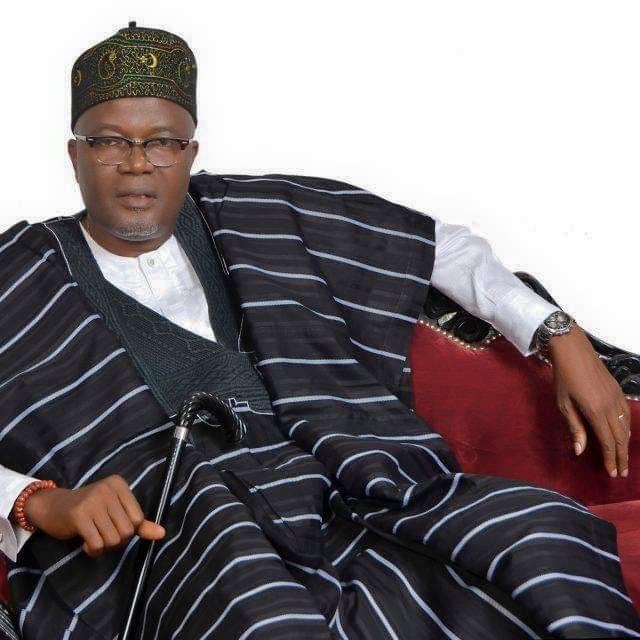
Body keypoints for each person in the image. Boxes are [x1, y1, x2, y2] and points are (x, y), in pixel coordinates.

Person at [0, 21, 637, 640]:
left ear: (190, 153)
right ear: (74, 155)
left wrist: (560, 335)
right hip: (179, 531)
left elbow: (440, 246)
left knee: (542, 536)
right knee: (264, 616)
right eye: (109, 141)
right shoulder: (18, 278)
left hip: (351, 486)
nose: (138, 164)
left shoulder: (256, 215)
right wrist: (40, 504)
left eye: (162, 142)